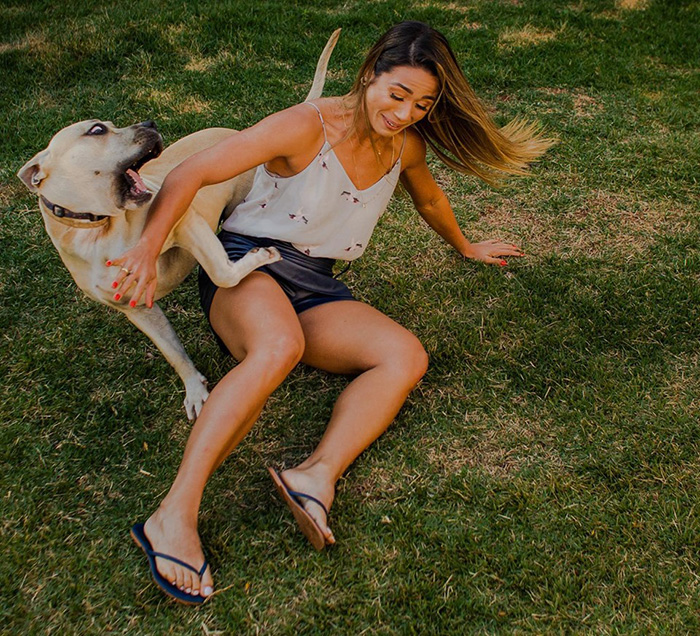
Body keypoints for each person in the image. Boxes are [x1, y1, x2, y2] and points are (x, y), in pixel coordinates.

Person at [110, 21, 553, 604]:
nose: (405, 113)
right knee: (278, 348)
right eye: (396, 95)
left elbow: (427, 197)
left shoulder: (406, 145)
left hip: (315, 284)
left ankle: (315, 474)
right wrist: (146, 247)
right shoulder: (306, 125)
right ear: (370, 74)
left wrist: (466, 246)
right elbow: (193, 172)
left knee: (403, 356)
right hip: (249, 267)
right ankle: (172, 516)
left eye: (422, 104)